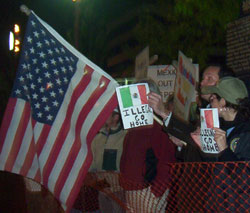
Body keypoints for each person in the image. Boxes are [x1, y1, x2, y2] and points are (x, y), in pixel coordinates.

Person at [148, 64, 235, 162]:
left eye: (209, 79)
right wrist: (183, 145)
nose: (202, 83)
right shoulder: (204, 112)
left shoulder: (227, 118)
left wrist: (163, 112)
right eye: (203, 78)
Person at [120, 79, 176, 213]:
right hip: (132, 190)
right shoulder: (134, 126)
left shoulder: (159, 125)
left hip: (148, 192)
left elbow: (167, 161)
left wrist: (155, 193)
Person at [73, 110, 127, 213]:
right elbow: (92, 163)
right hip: (101, 189)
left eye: (104, 114)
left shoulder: (125, 137)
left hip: (119, 190)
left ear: (116, 117)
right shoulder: (97, 138)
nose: (100, 118)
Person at [192, 76, 250, 161]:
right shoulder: (219, 128)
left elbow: (244, 172)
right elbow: (214, 169)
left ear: (223, 102)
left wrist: (224, 149)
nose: (209, 105)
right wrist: (205, 148)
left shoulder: (246, 132)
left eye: (212, 99)